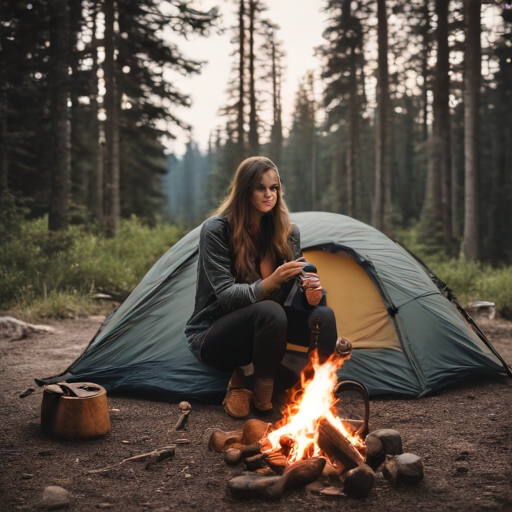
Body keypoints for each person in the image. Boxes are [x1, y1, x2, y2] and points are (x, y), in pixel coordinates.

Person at [185, 156, 341, 418]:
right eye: (261, 188)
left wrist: (311, 294)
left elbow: (298, 283)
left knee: (323, 316)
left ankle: (316, 393)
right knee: (269, 310)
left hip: (269, 331)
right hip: (215, 334)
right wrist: (273, 280)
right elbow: (226, 297)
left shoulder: (287, 232)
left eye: (274, 188)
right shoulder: (216, 230)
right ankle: (261, 394)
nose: (269, 195)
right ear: (245, 191)